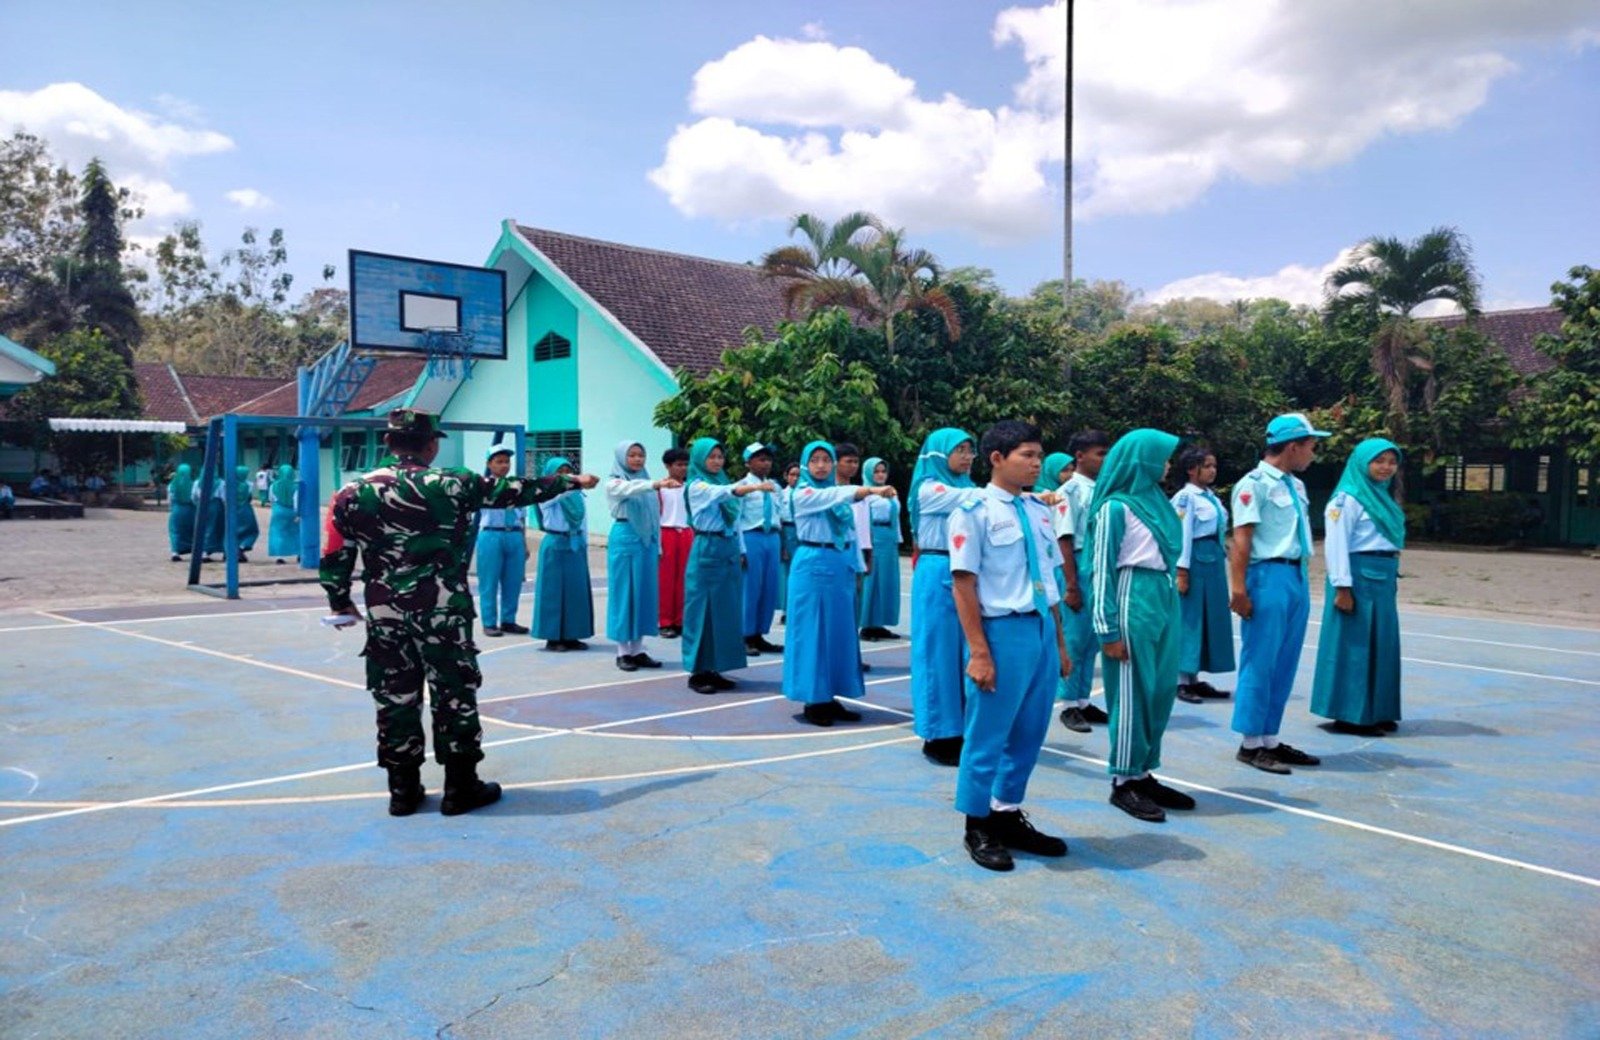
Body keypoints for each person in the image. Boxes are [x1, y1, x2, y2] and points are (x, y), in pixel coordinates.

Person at [320, 408, 596, 816]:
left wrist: (339, 600)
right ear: (431, 444)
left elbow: (335, 552)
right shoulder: (454, 483)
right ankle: (460, 787)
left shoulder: (351, 492)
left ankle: (403, 790)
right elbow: (517, 489)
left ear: (388, 443)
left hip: (386, 614)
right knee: (454, 694)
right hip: (443, 611)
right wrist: (569, 481)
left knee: (395, 696)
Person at [949, 420, 1072, 872]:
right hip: (1000, 632)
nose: (1036, 463)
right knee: (987, 734)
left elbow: (1050, 582)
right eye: (1027, 455)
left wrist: (1058, 642)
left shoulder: (1040, 512)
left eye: (1039, 455)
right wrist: (979, 651)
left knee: (1029, 732)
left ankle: (1006, 813)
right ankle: (976, 824)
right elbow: (964, 583)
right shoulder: (973, 509)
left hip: (1038, 629)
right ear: (997, 458)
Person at [1088, 429, 1196, 822]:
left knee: (1161, 688)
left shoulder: (1157, 502)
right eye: (1163, 457)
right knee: (1133, 693)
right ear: (1143, 460)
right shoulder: (1114, 508)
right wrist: (1108, 630)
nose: (1168, 464)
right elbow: (1100, 570)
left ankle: (1144, 771)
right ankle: (1123, 779)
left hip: (1162, 595)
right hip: (1132, 595)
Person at [1229, 412, 1329, 774]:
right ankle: (1250, 742)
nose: (1313, 455)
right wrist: (1238, 588)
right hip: (1266, 575)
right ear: (1292, 446)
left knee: (1285, 661)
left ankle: (1270, 738)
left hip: (1295, 575)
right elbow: (1242, 541)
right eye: (1310, 447)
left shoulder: (1295, 485)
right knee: (1260, 659)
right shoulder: (1252, 484)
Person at [784, 442, 896, 725]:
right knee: (814, 633)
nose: (821, 465)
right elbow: (839, 494)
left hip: (839, 562)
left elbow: (850, 533)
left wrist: (857, 565)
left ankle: (831, 696)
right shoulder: (804, 493)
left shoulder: (837, 501)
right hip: (813, 562)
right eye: (815, 460)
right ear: (805, 465)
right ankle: (814, 700)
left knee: (839, 633)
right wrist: (871, 490)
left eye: (826, 460)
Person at [1311, 439, 1405, 736]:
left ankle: (1377, 710)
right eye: (1379, 461)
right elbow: (1336, 544)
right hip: (1357, 579)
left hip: (1382, 577)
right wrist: (1342, 587)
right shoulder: (1347, 498)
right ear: (1362, 463)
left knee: (1382, 645)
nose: (1386, 467)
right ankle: (1350, 715)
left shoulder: (1382, 497)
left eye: (1392, 461)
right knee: (1355, 647)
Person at [908, 428, 986, 766]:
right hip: (939, 567)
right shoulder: (930, 489)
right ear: (940, 455)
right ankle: (938, 734)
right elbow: (976, 499)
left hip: (969, 572)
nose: (968, 457)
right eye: (961, 450)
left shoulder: (971, 489)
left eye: (971, 450)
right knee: (937, 654)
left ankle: (964, 727)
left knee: (968, 651)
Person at [682, 438, 773, 694]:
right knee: (703, 611)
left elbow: (735, 523)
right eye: (711, 457)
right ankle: (697, 672)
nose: (716, 461)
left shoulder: (722, 482)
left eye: (720, 457)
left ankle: (716, 667)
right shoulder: (697, 485)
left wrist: (741, 550)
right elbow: (722, 494)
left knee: (725, 612)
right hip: (707, 547)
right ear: (700, 459)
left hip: (728, 547)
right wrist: (747, 487)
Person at [1055, 430, 1112, 733]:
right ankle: (1067, 705)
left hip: (1100, 565)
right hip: (1078, 564)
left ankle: (1083, 700)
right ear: (1080, 456)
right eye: (1100, 453)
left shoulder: (1102, 489)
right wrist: (1071, 585)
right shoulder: (1070, 491)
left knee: (1092, 640)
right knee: (1075, 639)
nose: (1105, 459)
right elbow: (1063, 538)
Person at [606, 440, 679, 672]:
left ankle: (637, 649)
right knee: (624, 594)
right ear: (621, 458)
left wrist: (657, 546)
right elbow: (629, 489)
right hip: (625, 536)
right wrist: (656, 484)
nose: (637, 459)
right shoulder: (615, 482)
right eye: (632, 455)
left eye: (641, 455)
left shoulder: (648, 485)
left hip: (646, 541)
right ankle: (622, 652)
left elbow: (655, 516)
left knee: (645, 595)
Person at [1171, 446, 1236, 703]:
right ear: (1191, 469)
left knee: (1209, 618)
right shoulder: (1186, 498)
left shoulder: (1210, 496)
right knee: (1190, 619)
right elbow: (1182, 535)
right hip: (1195, 562)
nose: (1212, 471)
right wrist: (1182, 570)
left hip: (1212, 562)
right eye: (1206, 466)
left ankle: (1194, 678)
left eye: (1213, 466)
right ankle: (1180, 681)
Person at [532, 456, 594, 651]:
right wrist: (574, 484)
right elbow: (558, 496)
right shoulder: (546, 493)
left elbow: (583, 520)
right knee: (553, 592)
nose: (566, 476)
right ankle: (553, 637)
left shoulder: (577, 496)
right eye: (560, 473)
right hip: (555, 542)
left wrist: (584, 542)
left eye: (568, 471)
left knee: (576, 591)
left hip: (575, 542)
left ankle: (572, 635)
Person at [736, 442, 784, 656]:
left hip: (771, 538)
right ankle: (744, 635)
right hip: (751, 537)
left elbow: (780, 514)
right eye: (760, 459)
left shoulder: (775, 487)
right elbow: (736, 520)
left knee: (768, 587)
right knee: (750, 587)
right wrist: (740, 549)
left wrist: (781, 543)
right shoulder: (742, 487)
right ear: (748, 462)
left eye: (768, 460)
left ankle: (759, 633)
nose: (766, 464)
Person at [475, 445, 529, 638]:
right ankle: (489, 622)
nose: (504, 465)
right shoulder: (483, 486)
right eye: (499, 461)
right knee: (489, 581)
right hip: (491, 534)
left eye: (507, 461)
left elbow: (521, 517)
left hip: (513, 534)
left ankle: (508, 620)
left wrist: (524, 542)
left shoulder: (517, 486)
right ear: (489, 464)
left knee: (513, 581)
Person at [858, 456, 903, 641]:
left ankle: (879, 623)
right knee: (872, 582)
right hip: (874, 537)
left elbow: (897, 519)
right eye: (876, 471)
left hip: (889, 540)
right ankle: (867, 625)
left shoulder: (891, 493)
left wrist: (897, 539)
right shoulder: (865, 494)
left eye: (883, 471)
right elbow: (862, 520)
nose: (880, 475)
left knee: (886, 582)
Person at [657, 447, 693, 638]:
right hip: (667, 533)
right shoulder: (660, 488)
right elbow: (656, 516)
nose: (683, 469)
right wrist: (658, 543)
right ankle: (665, 621)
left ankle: (680, 619)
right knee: (666, 580)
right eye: (679, 465)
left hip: (686, 533)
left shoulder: (690, 488)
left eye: (686, 465)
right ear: (668, 466)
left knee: (684, 579)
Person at [777, 461, 801, 623]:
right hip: (787, 531)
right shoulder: (781, 494)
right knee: (787, 573)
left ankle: (799, 607)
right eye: (792, 474)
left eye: (799, 475)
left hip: (802, 532)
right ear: (786, 476)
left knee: (801, 572)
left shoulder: (805, 493)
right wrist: (782, 544)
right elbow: (778, 519)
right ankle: (787, 609)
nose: (796, 478)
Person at [267, 463, 300, 564]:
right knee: (296, 533)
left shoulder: (273, 486)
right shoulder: (296, 487)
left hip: (278, 511)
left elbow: (271, 499)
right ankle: (300, 554)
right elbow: (296, 501)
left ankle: (279, 556)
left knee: (278, 532)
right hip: (292, 512)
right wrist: (298, 514)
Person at [166, 464, 195, 559]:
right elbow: (196, 498)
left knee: (175, 531)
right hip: (191, 511)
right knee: (191, 531)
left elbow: (169, 500)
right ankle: (192, 549)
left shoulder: (172, 485)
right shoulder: (193, 484)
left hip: (176, 510)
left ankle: (175, 552)